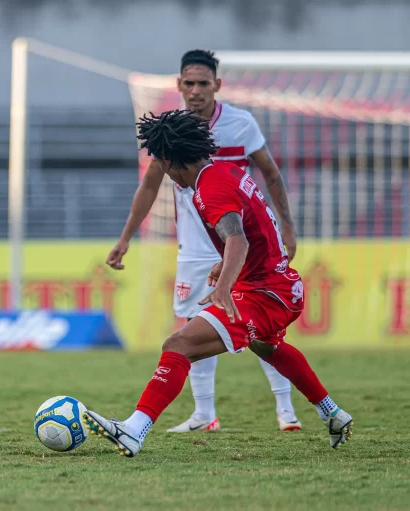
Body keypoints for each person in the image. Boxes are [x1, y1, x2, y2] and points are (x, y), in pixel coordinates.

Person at [85, 110, 352, 458]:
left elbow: (238, 240)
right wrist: (224, 264)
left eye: (161, 164)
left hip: (266, 293)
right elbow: (255, 230)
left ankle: (134, 430)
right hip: (277, 283)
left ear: (169, 160)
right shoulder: (226, 170)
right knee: (267, 347)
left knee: (178, 344)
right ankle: (332, 413)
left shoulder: (210, 189)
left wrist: (224, 284)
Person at [107, 49, 301, 433]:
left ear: (217, 85)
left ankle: (286, 409)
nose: (195, 91)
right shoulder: (168, 133)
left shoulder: (240, 124)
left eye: (203, 84)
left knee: (262, 326)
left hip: (238, 240)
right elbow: (148, 185)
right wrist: (125, 237)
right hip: (196, 247)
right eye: (189, 83)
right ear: (178, 85)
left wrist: (287, 226)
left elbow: (271, 174)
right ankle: (204, 413)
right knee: (192, 324)